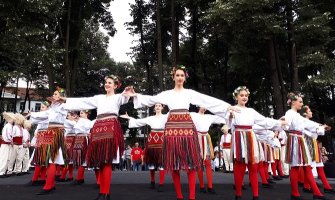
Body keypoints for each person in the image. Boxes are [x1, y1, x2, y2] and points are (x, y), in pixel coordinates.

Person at [125, 66, 236, 200]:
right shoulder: (167, 94)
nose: (179, 78)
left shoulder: (189, 93)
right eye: (177, 75)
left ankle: (192, 197)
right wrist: (135, 95)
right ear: (173, 77)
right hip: (172, 129)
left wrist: (226, 106)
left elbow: (206, 100)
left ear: (185, 77)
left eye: (182, 75)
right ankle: (179, 196)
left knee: (190, 164)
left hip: (187, 128)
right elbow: (151, 99)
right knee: (174, 164)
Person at [64, 75, 129, 200]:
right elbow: (84, 101)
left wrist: (127, 91)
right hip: (98, 128)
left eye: (110, 83)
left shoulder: (117, 97)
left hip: (110, 127)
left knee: (107, 160)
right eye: (106, 82)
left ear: (115, 86)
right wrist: (65, 100)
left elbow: (124, 97)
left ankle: (106, 192)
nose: (107, 84)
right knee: (101, 161)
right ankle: (102, 192)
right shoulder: (99, 98)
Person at [227, 86, 286, 200]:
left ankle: (256, 195)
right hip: (239, 137)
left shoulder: (251, 111)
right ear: (236, 97)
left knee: (253, 167)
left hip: (251, 137)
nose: (244, 97)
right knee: (240, 166)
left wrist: (279, 122)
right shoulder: (232, 109)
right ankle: (238, 194)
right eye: (242, 95)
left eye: (246, 95)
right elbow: (228, 124)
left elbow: (264, 121)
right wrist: (230, 116)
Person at [284, 92, 327, 200]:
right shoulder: (289, 113)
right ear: (293, 102)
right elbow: (286, 123)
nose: (302, 104)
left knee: (306, 167)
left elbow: (308, 124)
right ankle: (295, 193)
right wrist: (283, 123)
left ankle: (315, 193)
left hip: (299, 140)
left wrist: (320, 127)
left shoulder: (297, 115)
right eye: (300, 101)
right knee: (296, 167)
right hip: (294, 139)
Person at [30, 87, 67, 195]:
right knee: (50, 159)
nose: (54, 96)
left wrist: (59, 101)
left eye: (56, 94)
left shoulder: (63, 107)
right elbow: (43, 115)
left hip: (56, 133)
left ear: (61, 96)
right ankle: (50, 185)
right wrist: (30, 115)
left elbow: (58, 110)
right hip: (50, 132)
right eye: (54, 94)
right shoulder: (52, 109)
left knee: (51, 159)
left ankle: (48, 186)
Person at [121, 103, 167, 191]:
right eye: (156, 106)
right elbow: (139, 122)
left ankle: (161, 184)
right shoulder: (150, 118)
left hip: (162, 139)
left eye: (159, 106)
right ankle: (152, 182)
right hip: (152, 139)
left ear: (162, 108)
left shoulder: (166, 117)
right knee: (151, 162)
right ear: (154, 108)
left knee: (161, 162)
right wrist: (129, 118)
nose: (157, 107)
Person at [190, 107, 225, 194]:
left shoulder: (209, 117)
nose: (204, 107)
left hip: (206, 138)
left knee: (208, 163)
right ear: (199, 106)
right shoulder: (193, 115)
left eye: (205, 106)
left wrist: (228, 113)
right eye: (202, 105)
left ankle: (210, 186)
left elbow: (222, 118)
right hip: (196, 138)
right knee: (199, 163)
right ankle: (202, 186)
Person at [300, 105, 334, 194]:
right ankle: (308, 186)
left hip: (313, 143)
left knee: (319, 165)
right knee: (310, 166)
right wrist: (322, 127)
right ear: (305, 113)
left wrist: (323, 127)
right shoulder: (304, 122)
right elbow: (314, 128)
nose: (311, 112)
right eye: (309, 111)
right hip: (308, 144)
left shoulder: (309, 122)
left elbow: (316, 126)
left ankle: (325, 186)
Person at [28, 101, 50, 185]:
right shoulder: (42, 115)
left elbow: (38, 117)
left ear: (48, 108)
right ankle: (42, 178)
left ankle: (35, 179)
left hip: (46, 135)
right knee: (41, 157)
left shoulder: (48, 113)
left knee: (41, 157)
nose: (41, 108)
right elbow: (34, 122)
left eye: (43, 107)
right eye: (41, 107)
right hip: (42, 136)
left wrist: (32, 114)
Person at [72, 110, 94, 185]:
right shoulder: (80, 121)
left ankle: (79, 178)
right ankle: (80, 178)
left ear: (87, 114)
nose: (80, 114)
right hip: (78, 138)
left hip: (84, 139)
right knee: (79, 158)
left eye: (82, 113)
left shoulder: (87, 121)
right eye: (80, 113)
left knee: (82, 158)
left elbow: (88, 128)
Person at [0, 112, 15, 178]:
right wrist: (11, 141)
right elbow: (8, 135)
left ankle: (3, 171)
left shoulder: (9, 126)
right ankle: (1, 172)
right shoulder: (8, 126)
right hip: (5, 144)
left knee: (6, 158)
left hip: (7, 144)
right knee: (4, 158)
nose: (14, 120)